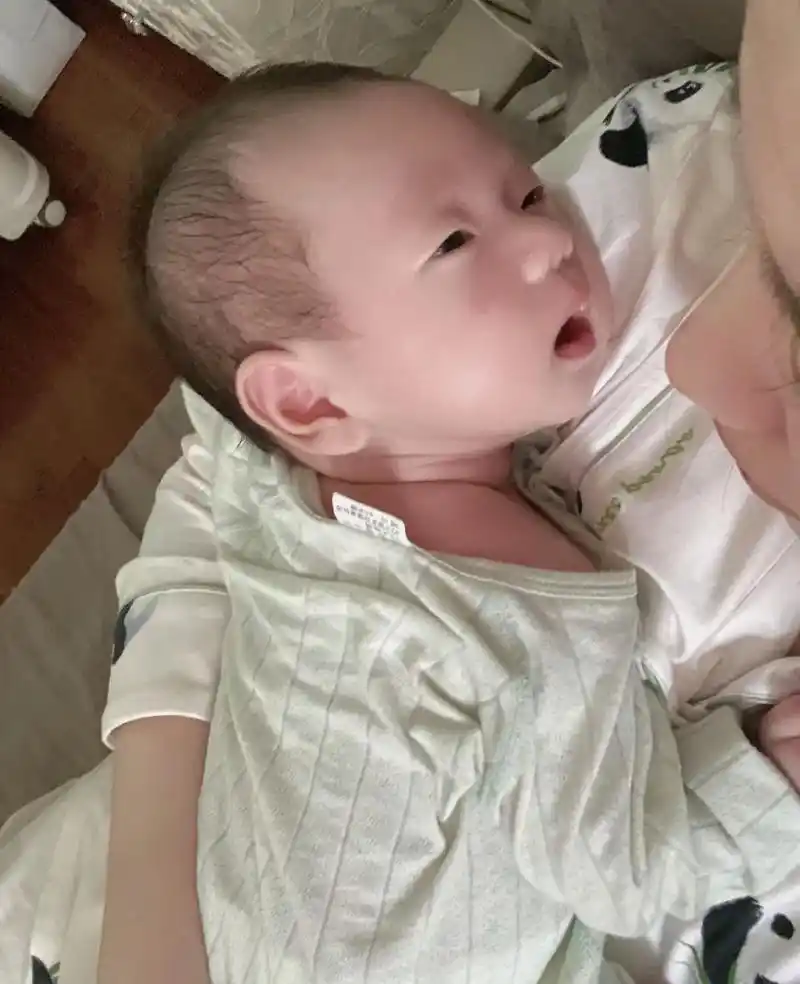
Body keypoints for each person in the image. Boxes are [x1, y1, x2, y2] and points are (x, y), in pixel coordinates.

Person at [96, 19, 800, 983]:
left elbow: (218, 403)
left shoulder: (276, 482)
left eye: (528, 191)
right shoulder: (507, 640)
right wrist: (766, 781)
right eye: (456, 240)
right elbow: (626, 870)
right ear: (306, 402)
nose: (551, 236)